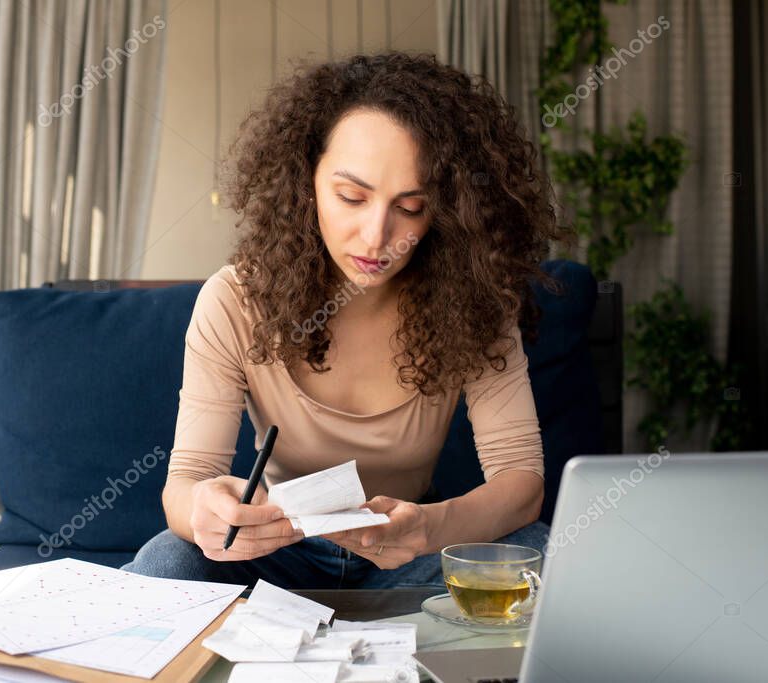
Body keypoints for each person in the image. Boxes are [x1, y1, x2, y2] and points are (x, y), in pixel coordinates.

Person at [121, 52, 566, 588]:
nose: (377, 236)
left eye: (411, 206)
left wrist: (428, 527)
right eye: (351, 196)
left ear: (446, 210)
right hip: (279, 554)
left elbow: (522, 481)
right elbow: (186, 483)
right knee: (168, 560)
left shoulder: (476, 302)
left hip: (412, 556)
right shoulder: (234, 301)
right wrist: (205, 512)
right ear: (306, 181)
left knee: (537, 554)